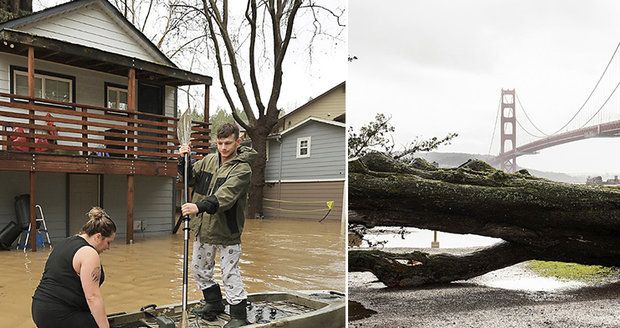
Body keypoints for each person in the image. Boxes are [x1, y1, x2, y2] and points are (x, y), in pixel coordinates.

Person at [178, 123, 256, 328]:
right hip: (203, 227)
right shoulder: (209, 160)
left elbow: (226, 197)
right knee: (199, 268)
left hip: (227, 229)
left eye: (228, 143)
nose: (223, 148)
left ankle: (238, 315)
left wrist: (198, 206)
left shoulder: (242, 168)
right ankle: (214, 303)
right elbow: (190, 178)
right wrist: (183, 161)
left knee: (230, 272)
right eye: (220, 143)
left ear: (238, 142)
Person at [32, 207, 116, 328]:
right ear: (98, 236)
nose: (108, 247)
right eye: (108, 242)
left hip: (39, 308)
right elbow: (93, 297)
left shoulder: (67, 242)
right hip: (58, 314)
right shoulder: (89, 253)